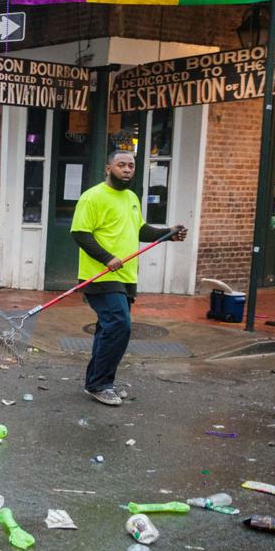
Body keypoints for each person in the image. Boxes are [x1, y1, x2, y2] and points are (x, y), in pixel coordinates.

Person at [70, 149, 186, 406]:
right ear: (108, 168)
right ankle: (100, 384)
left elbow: (140, 229)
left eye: (131, 166)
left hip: (126, 276)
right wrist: (107, 258)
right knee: (119, 325)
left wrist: (167, 233)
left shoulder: (132, 198)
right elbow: (80, 233)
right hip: (99, 276)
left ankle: (98, 382)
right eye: (121, 165)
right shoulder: (93, 197)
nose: (126, 169)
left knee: (107, 330)